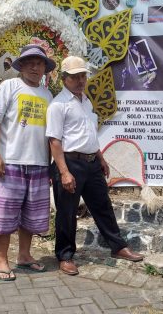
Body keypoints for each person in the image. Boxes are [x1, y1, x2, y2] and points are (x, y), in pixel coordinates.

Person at [46, 56, 144, 275]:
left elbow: (88, 134)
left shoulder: (86, 101)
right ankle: (65, 256)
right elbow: (54, 141)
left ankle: (118, 247)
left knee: (103, 206)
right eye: (75, 77)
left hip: (91, 163)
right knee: (67, 212)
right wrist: (63, 172)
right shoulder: (58, 105)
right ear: (64, 79)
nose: (81, 80)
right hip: (70, 163)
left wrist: (100, 157)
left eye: (83, 76)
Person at [0, 44, 56, 281]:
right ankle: (2, 259)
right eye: (30, 63)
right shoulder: (9, 87)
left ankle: (24, 255)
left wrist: (50, 163)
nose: (35, 67)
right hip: (10, 163)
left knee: (31, 216)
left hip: (39, 164)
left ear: (45, 68)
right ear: (21, 66)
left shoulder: (48, 94)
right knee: (3, 216)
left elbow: (51, 134)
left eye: (40, 63)